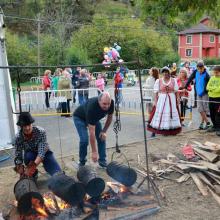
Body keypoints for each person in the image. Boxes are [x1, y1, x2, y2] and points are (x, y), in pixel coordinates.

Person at [14, 112, 62, 178]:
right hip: (30, 155)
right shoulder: (18, 137)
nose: (27, 128)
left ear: (32, 124)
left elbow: (41, 153)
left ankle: (48, 170)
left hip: (45, 153)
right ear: (21, 127)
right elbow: (18, 154)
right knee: (29, 156)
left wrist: (32, 166)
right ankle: (34, 174)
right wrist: (19, 166)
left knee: (57, 174)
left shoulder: (41, 132)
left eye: (29, 125)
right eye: (25, 126)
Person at [73, 92, 114, 168]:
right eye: (104, 104)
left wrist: (104, 131)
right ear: (99, 101)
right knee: (84, 140)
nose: (107, 106)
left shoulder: (111, 103)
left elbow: (110, 117)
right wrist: (94, 152)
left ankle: (102, 161)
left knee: (101, 137)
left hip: (94, 118)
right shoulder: (92, 107)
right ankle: (82, 162)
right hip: (80, 118)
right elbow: (92, 133)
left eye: (108, 103)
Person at [147, 67, 182, 135]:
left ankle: (171, 129)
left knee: (170, 113)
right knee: (159, 113)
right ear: (162, 73)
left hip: (171, 99)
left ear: (169, 73)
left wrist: (178, 99)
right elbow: (156, 93)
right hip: (162, 99)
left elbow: (176, 91)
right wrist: (155, 101)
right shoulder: (159, 81)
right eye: (164, 72)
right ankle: (156, 130)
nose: (165, 73)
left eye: (167, 72)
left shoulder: (173, 80)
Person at [185, 60, 211, 130]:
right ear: (197, 68)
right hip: (198, 93)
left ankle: (202, 124)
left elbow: (210, 83)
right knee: (200, 109)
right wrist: (186, 85)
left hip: (205, 93)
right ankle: (208, 122)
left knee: (204, 109)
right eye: (198, 69)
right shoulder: (195, 72)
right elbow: (190, 78)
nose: (200, 70)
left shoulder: (206, 74)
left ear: (203, 67)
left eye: (201, 68)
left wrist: (208, 90)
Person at [143, 67, 159, 137]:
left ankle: (152, 120)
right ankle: (150, 119)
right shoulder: (150, 78)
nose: (149, 71)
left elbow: (151, 86)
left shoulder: (153, 79)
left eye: (150, 70)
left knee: (151, 109)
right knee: (149, 109)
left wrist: (144, 86)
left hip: (151, 96)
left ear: (153, 72)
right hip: (147, 95)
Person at [206, 65, 220, 136]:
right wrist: (215, 88)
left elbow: (219, 89)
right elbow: (207, 87)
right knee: (212, 113)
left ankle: (218, 128)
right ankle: (214, 126)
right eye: (214, 72)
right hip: (211, 97)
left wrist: (213, 89)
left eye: (217, 72)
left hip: (218, 98)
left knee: (218, 114)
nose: (215, 74)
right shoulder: (212, 78)